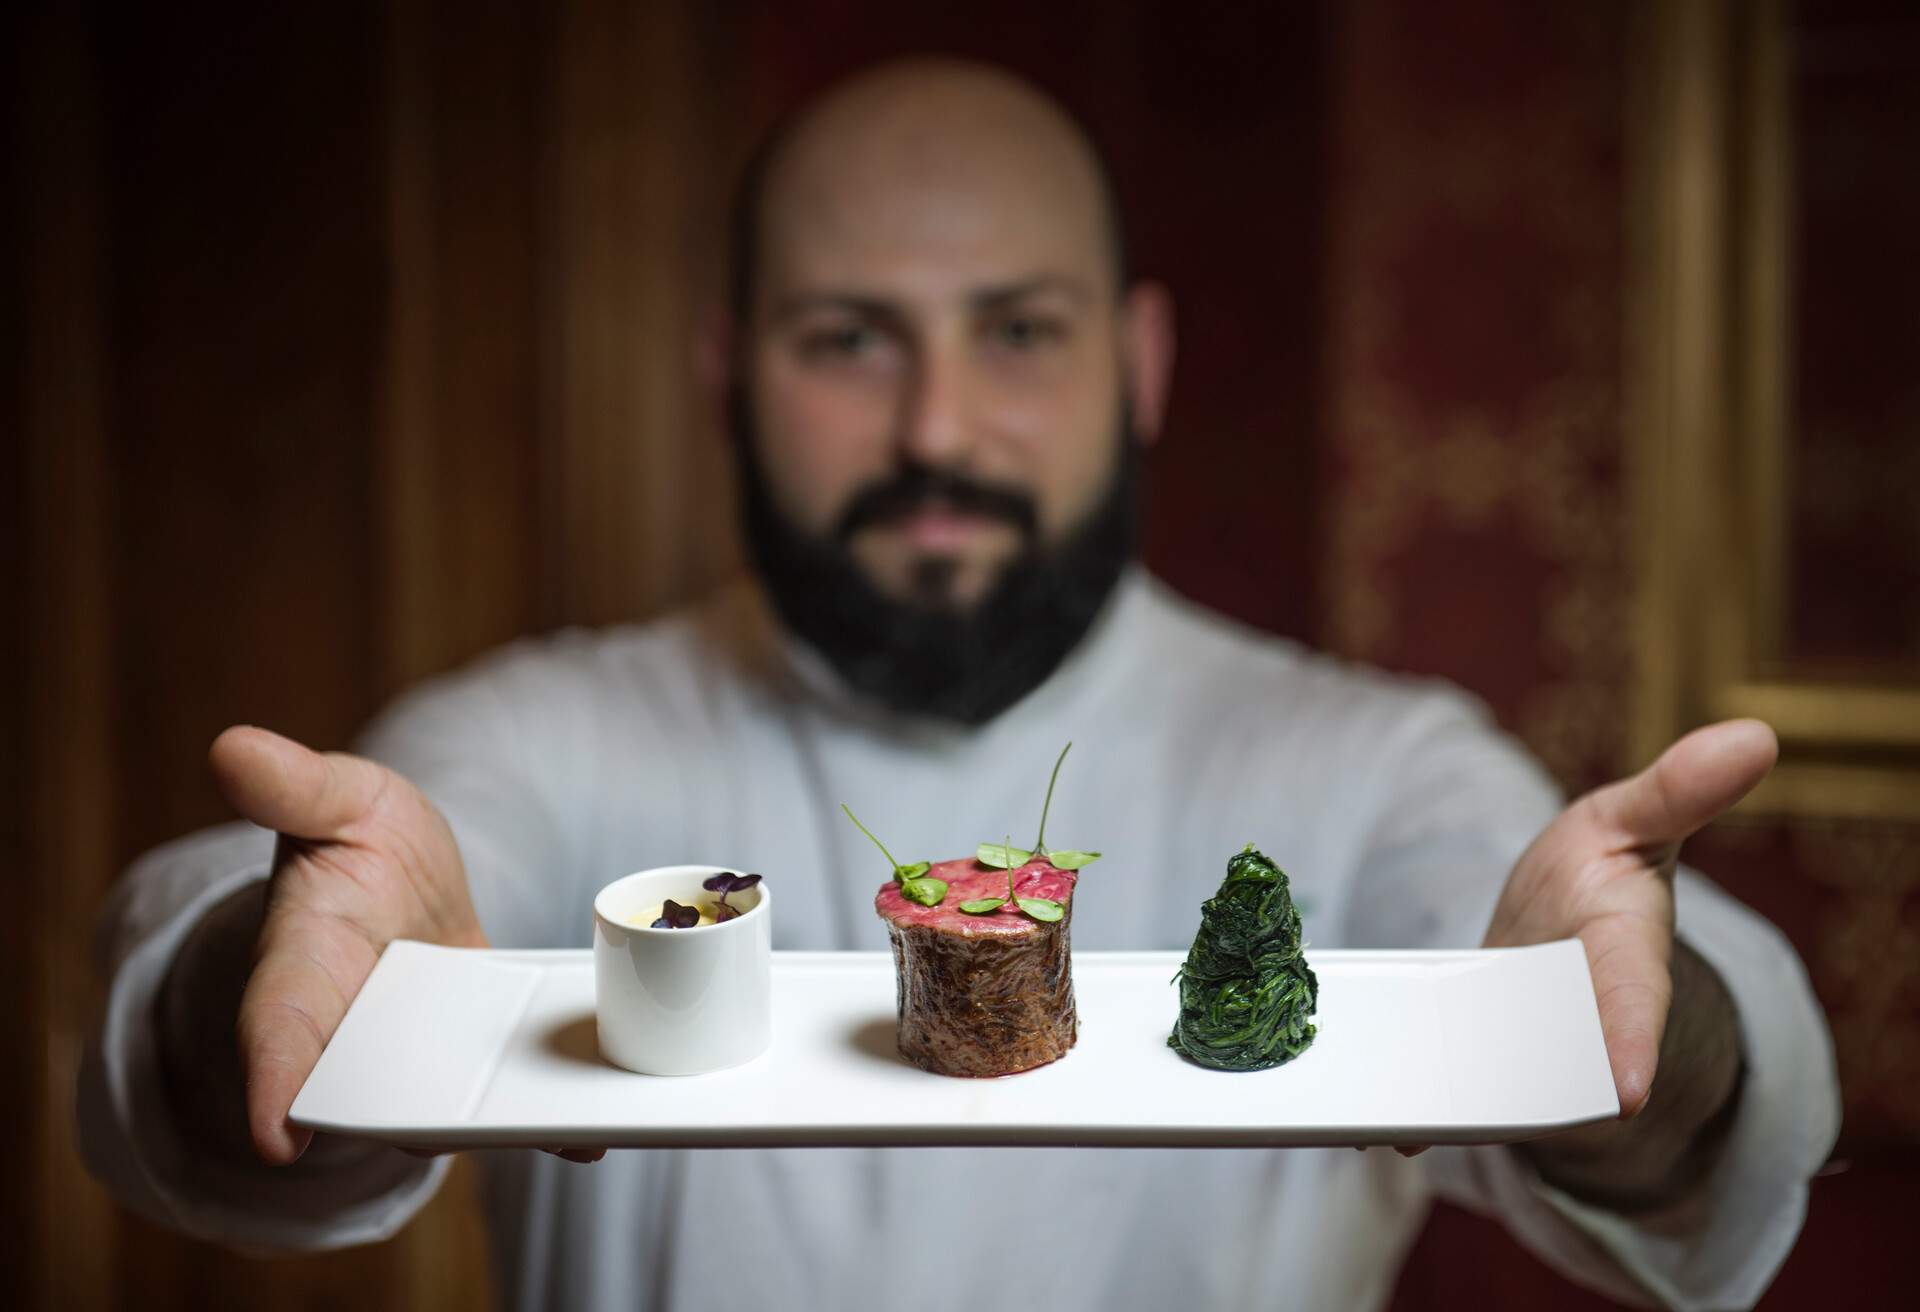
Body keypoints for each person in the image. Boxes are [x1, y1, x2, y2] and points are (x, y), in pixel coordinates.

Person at [79, 58, 1837, 1311]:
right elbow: (220, 1053)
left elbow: (1673, 1094)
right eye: (849, 338)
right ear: (726, 369)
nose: (937, 428)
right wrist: (279, 964)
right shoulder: (543, 735)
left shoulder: (1372, 768)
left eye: (1018, 330)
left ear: (1137, 362)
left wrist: (1632, 1024)